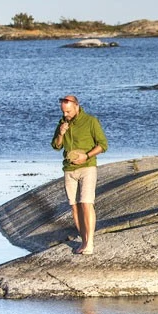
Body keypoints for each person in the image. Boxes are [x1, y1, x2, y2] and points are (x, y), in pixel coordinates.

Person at [52, 95, 108, 255]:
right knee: (74, 206)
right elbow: (56, 146)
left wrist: (87, 156)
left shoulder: (91, 121)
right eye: (63, 112)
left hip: (87, 167)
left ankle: (89, 243)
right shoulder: (63, 123)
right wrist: (61, 133)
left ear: (77, 106)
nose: (65, 115)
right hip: (69, 169)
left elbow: (103, 145)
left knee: (86, 203)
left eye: (68, 111)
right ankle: (83, 241)